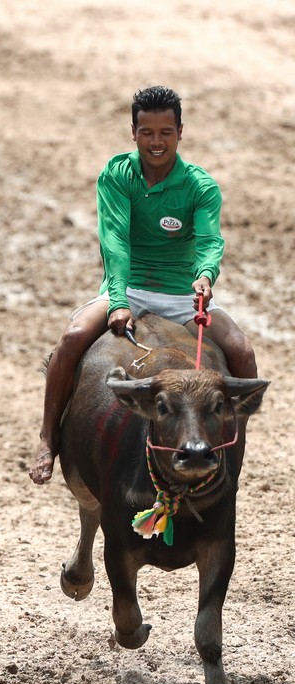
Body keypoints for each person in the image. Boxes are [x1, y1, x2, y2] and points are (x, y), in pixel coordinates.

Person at [30, 85, 257, 484]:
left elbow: (209, 241)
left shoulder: (200, 186)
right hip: (129, 286)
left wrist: (205, 276)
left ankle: (232, 453)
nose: (156, 142)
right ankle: (48, 437)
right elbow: (114, 242)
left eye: (165, 132)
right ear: (133, 132)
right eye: (147, 132)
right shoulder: (117, 175)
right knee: (71, 339)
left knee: (241, 349)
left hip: (183, 295)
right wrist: (118, 300)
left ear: (180, 132)